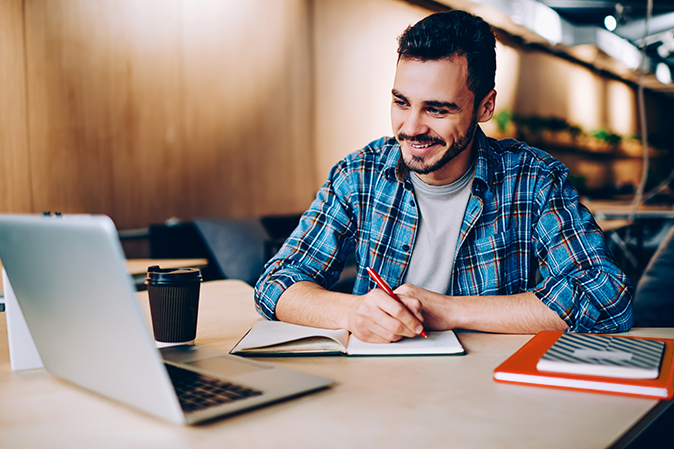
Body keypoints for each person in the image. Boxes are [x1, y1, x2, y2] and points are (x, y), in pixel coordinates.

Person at [254, 10, 633, 343]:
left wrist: (450, 310)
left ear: (485, 106)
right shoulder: (359, 175)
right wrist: (353, 313)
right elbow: (277, 281)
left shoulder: (534, 180)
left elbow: (603, 297)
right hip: (377, 392)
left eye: (437, 110)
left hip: (492, 396)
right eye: (401, 102)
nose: (411, 128)